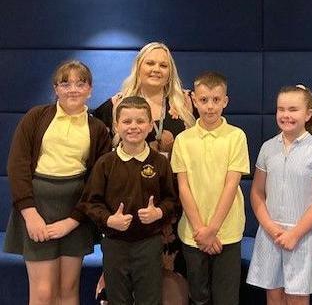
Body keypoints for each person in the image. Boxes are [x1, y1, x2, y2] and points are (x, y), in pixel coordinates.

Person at [3, 60, 111, 305]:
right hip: (37, 211)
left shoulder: (97, 129)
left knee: (68, 291)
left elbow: (97, 181)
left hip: (76, 215)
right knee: (43, 293)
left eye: (80, 83)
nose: (73, 89)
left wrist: (73, 221)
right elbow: (17, 165)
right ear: (56, 89)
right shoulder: (36, 117)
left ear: (90, 89)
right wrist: (30, 215)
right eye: (65, 83)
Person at [93, 41, 193, 304]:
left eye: (163, 64)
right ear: (138, 66)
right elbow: (98, 155)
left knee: (169, 284)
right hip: (126, 211)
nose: (156, 69)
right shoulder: (116, 104)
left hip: (173, 206)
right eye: (150, 63)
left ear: (170, 71)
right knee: (123, 286)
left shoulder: (187, 102)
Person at [77, 96, 178, 304]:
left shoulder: (159, 162)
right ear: (116, 125)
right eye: (127, 121)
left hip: (149, 243)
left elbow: (172, 200)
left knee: (150, 298)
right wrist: (108, 219)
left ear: (150, 125)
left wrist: (158, 212)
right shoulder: (106, 163)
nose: (134, 127)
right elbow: (89, 203)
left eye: (140, 121)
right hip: (115, 243)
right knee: (117, 298)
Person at [247, 85, 312, 305]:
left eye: (293, 109)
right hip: (270, 235)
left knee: (297, 298)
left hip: (301, 237)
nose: (286, 115)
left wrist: (295, 233)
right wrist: (271, 228)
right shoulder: (267, 148)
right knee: (274, 296)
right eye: (281, 109)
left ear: (308, 113)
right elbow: (257, 193)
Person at [171, 71, 250, 305]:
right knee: (198, 296)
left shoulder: (236, 137)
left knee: (226, 298)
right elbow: (183, 188)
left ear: (225, 101)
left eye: (216, 100)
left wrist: (213, 229)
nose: (210, 107)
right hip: (193, 233)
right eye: (204, 100)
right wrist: (201, 230)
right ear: (194, 100)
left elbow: (231, 184)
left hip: (227, 232)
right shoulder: (183, 140)